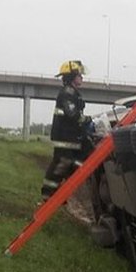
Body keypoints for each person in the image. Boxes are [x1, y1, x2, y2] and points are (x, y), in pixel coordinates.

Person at [42, 60, 91, 200]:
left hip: (71, 137)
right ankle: (48, 195)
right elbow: (73, 114)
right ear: (71, 77)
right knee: (63, 162)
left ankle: (59, 192)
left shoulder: (73, 93)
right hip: (64, 137)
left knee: (79, 159)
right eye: (79, 75)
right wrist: (86, 120)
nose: (82, 77)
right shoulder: (67, 93)